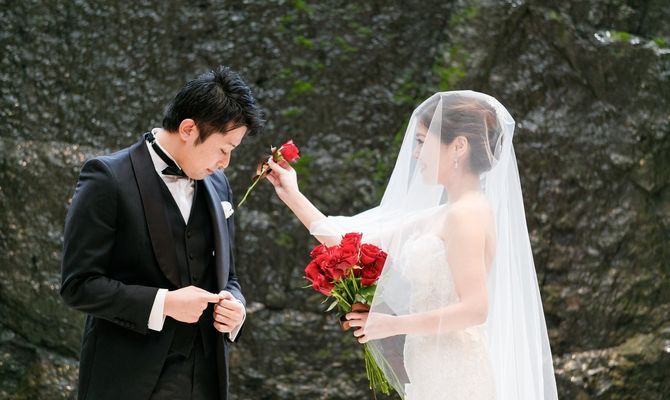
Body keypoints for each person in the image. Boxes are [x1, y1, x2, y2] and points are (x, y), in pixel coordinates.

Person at [267, 91, 558, 399]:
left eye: (422, 142)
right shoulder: (446, 213)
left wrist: (392, 325)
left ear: (459, 147)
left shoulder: (466, 214)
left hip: (456, 374)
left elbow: (475, 309)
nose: (416, 153)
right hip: (430, 369)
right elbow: (351, 244)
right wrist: (291, 194)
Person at [60, 65, 263, 400]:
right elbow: (78, 285)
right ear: (188, 129)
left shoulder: (218, 184)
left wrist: (236, 307)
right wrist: (164, 303)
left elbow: (229, 277)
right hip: (128, 381)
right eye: (224, 148)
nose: (225, 162)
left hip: (207, 378)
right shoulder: (107, 178)